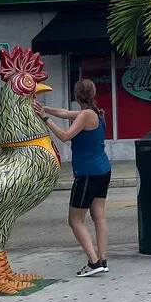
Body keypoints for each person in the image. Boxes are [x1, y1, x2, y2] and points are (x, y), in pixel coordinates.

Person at [33, 79, 111, 277]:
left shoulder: (85, 115)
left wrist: (45, 119)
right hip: (102, 169)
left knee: (75, 220)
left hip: (87, 172)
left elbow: (65, 136)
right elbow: (65, 113)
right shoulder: (96, 112)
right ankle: (102, 260)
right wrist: (46, 109)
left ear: (76, 95)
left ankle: (93, 262)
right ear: (93, 94)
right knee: (98, 216)